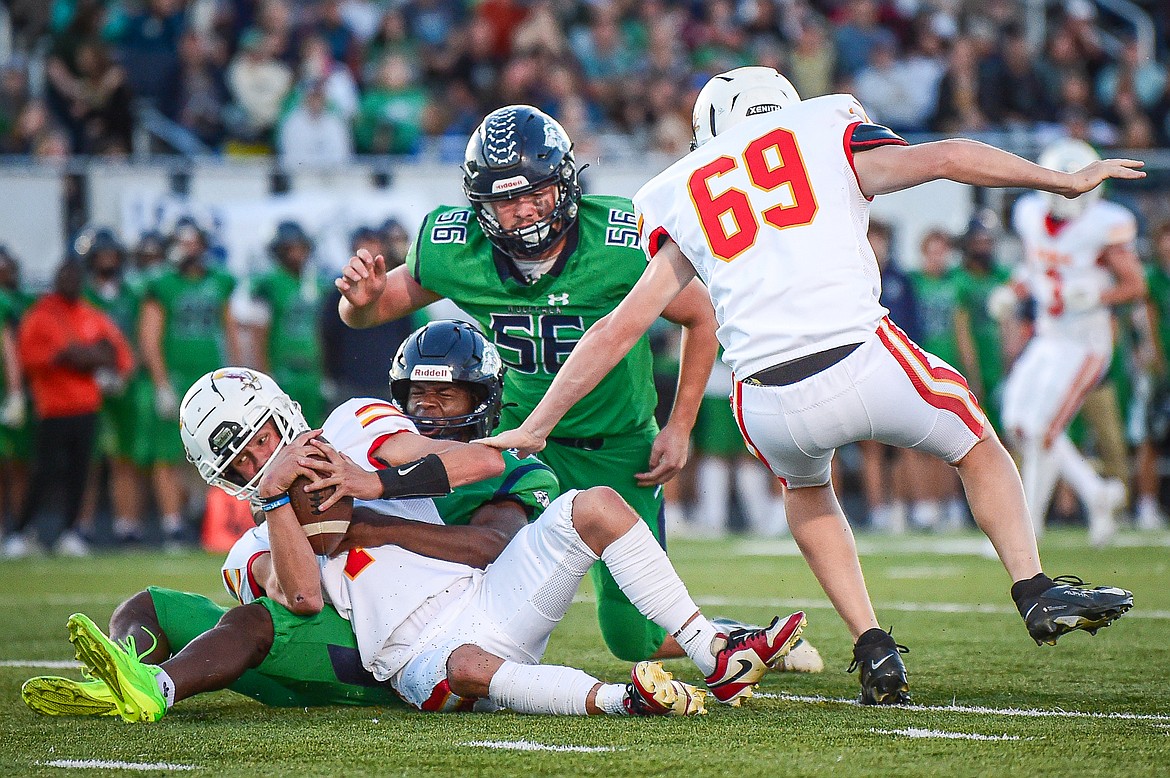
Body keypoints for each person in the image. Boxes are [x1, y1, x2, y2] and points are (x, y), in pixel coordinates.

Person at [478, 66, 1138, 705]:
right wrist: (1064, 181)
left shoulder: (680, 187)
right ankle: (1034, 587)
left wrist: (537, 424)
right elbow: (951, 155)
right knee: (977, 445)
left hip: (766, 397)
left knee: (807, 489)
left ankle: (872, 641)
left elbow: (617, 330)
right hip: (861, 356)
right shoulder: (828, 125)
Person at [39, 365, 806, 721]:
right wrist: (278, 498)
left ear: (283, 411)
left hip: (488, 595)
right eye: (238, 460)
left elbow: (484, 459)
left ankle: (715, 653)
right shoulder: (248, 543)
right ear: (227, 478)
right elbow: (302, 596)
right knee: (470, 668)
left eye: (261, 438)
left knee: (598, 504)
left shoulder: (352, 425)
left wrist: (369, 485)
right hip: (412, 656)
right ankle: (623, 701)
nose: (257, 457)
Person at [336, 105, 721, 664]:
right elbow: (370, 310)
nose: (524, 212)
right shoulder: (457, 249)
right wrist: (359, 302)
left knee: (629, 638)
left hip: (617, 445)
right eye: (506, 200)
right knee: (458, 549)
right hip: (515, 440)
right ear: (480, 205)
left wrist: (680, 423)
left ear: (564, 183)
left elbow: (701, 316)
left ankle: (729, 635)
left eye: (536, 193)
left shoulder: (619, 240)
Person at [998, 138, 1147, 547]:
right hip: (1048, 336)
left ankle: (1027, 529)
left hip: (1085, 343)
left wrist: (1097, 296)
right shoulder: (1029, 213)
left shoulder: (1104, 224)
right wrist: (1015, 290)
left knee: (1042, 428)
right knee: (1016, 423)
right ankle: (1098, 494)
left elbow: (1136, 285)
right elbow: (1036, 266)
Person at [7, 259, 133, 556]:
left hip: (86, 406)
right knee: (43, 473)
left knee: (80, 473)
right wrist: (84, 355)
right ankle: (23, 531)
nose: (71, 284)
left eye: (76, 279)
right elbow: (34, 357)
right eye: (66, 278)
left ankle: (70, 531)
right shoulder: (41, 315)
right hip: (51, 408)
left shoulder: (91, 314)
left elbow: (117, 354)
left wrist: (81, 356)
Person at [139, 218, 239, 545]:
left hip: (212, 380)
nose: (190, 251)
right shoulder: (162, 284)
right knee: (169, 453)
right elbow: (150, 338)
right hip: (177, 379)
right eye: (185, 244)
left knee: (221, 450)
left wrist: (237, 375)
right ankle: (172, 524)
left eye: (195, 244)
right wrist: (161, 383)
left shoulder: (220, 281)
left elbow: (230, 331)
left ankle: (208, 520)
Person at [249, 220, 330, 425]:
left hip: (313, 371)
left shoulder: (316, 282)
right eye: (289, 248)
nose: (296, 253)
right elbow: (259, 333)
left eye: (300, 247)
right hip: (283, 369)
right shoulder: (269, 283)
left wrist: (328, 372)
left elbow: (324, 331)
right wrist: (263, 374)